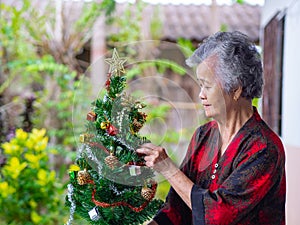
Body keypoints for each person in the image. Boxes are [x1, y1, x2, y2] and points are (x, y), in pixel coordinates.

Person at [136, 31, 286, 225]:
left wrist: (168, 169)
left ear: (235, 88)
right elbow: (176, 209)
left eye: (207, 86)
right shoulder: (203, 136)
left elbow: (218, 216)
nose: (200, 95)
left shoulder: (264, 148)